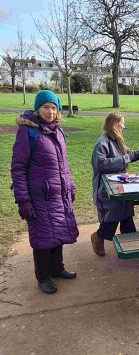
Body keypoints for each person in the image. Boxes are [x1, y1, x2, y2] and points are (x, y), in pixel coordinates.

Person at [11, 89, 79, 294]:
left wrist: (70, 185)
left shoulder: (57, 131)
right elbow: (18, 168)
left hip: (59, 194)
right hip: (39, 197)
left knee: (57, 231)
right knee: (42, 238)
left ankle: (57, 268)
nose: (50, 112)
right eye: (45, 107)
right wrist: (23, 200)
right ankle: (43, 276)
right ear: (38, 109)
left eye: (53, 108)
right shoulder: (28, 132)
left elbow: (63, 164)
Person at [91, 112, 139, 256]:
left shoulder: (118, 141)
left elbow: (130, 155)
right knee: (116, 212)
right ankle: (98, 237)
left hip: (119, 184)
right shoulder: (102, 142)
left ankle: (130, 241)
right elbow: (101, 164)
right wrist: (125, 160)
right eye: (122, 123)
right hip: (105, 188)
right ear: (115, 124)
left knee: (126, 210)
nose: (124, 126)